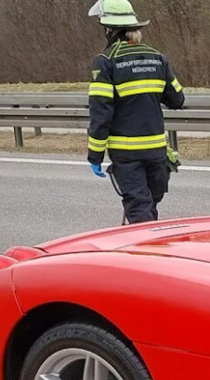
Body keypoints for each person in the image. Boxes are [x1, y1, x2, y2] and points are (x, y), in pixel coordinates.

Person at [85, 0, 184, 223]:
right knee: (150, 204)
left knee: (139, 207)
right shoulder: (158, 58)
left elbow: (101, 114)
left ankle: (146, 254)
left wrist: (95, 155)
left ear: (108, 30)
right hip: (157, 151)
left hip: (126, 153)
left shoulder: (105, 62)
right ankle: (153, 250)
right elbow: (177, 99)